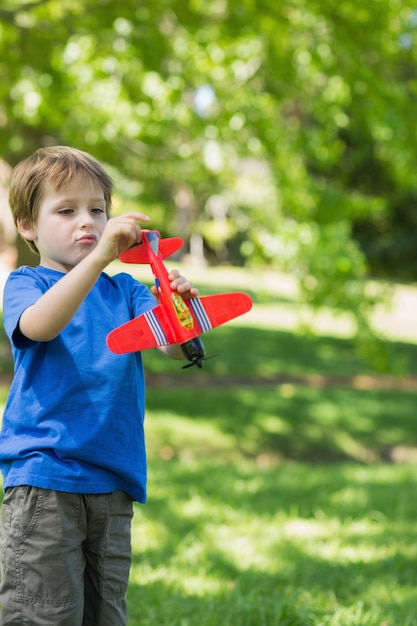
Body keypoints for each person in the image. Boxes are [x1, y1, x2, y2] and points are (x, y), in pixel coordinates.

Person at [0, 145, 199, 625]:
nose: (86, 222)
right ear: (28, 226)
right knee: (42, 613)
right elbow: (40, 326)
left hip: (112, 482)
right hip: (47, 480)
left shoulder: (126, 290)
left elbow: (171, 347)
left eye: (97, 210)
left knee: (105, 614)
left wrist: (179, 309)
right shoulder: (27, 284)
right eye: (66, 211)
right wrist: (102, 258)